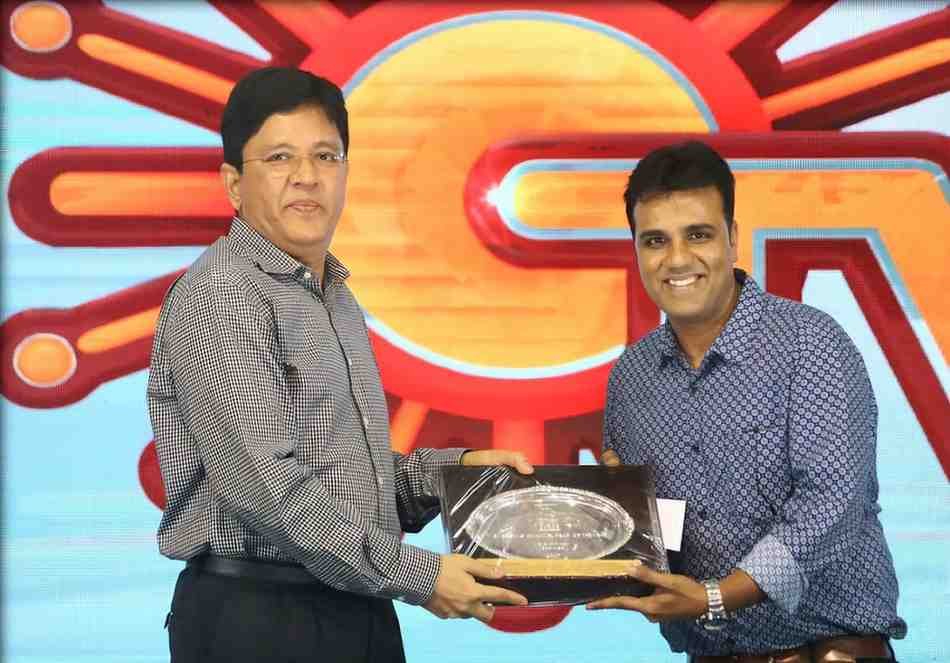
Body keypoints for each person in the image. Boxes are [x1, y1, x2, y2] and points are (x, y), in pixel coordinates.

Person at [147, 66, 531, 663]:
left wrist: (457, 476)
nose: (307, 176)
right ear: (233, 184)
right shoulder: (224, 293)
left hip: (353, 606)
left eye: (326, 156)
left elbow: (349, 481)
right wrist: (421, 576)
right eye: (279, 157)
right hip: (262, 619)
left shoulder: (334, 295)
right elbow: (268, 489)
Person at [587, 140, 906, 662]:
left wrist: (717, 596)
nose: (677, 259)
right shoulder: (631, 380)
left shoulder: (810, 344)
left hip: (830, 651)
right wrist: (614, 520)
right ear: (637, 250)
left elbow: (831, 505)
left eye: (698, 234)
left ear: (733, 239)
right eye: (655, 240)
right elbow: (651, 535)